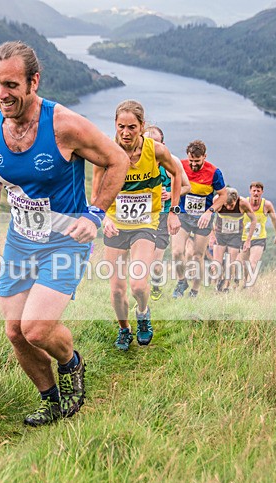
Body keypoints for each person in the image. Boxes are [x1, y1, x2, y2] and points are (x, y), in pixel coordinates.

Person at [0, 41, 129, 426]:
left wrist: (94, 214)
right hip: (21, 241)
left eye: (10, 85)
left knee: (36, 328)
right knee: (15, 332)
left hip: (65, 241)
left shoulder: (64, 125)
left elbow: (116, 159)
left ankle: (72, 365)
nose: (2, 94)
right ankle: (50, 400)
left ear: (33, 81)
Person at [93, 101, 184, 351]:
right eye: (121, 126)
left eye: (132, 127)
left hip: (146, 223)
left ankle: (143, 314)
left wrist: (174, 211)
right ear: (115, 125)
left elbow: (177, 174)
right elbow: (95, 193)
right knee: (117, 291)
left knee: (138, 284)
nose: (126, 132)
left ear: (142, 126)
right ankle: (124, 329)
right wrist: (105, 218)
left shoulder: (156, 151)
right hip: (116, 225)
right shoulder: (106, 152)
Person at [170, 140, 228, 298]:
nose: (194, 164)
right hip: (183, 214)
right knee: (176, 252)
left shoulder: (214, 172)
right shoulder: (180, 166)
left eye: (197, 161)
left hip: (203, 218)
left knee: (197, 256)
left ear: (205, 156)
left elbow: (223, 196)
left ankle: (194, 291)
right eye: (191, 161)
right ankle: (182, 281)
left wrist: (210, 211)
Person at [144, 125, 190, 301]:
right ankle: (142, 293)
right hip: (143, 216)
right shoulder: (136, 161)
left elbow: (187, 186)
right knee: (140, 259)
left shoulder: (172, 162)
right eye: (148, 142)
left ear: (163, 144)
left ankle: (155, 285)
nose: (153, 147)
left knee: (156, 260)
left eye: (156, 143)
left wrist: (170, 194)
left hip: (163, 214)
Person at [238, 181, 276, 287]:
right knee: (244, 265)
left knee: (253, 263)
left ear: (262, 192)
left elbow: (274, 219)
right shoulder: (244, 203)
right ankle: (244, 284)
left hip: (259, 238)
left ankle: (250, 287)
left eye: (258, 191)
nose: (256, 193)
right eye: (254, 191)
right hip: (244, 238)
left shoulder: (266, 205)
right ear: (250, 191)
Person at [213, 187, 257, 292]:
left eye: (231, 205)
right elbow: (209, 215)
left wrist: (248, 240)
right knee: (217, 263)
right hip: (220, 233)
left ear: (236, 200)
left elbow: (254, 220)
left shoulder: (243, 203)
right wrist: (211, 235)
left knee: (232, 262)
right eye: (226, 205)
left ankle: (226, 286)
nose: (228, 208)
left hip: (235, 235)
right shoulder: (217, 200)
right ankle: (219, 282)